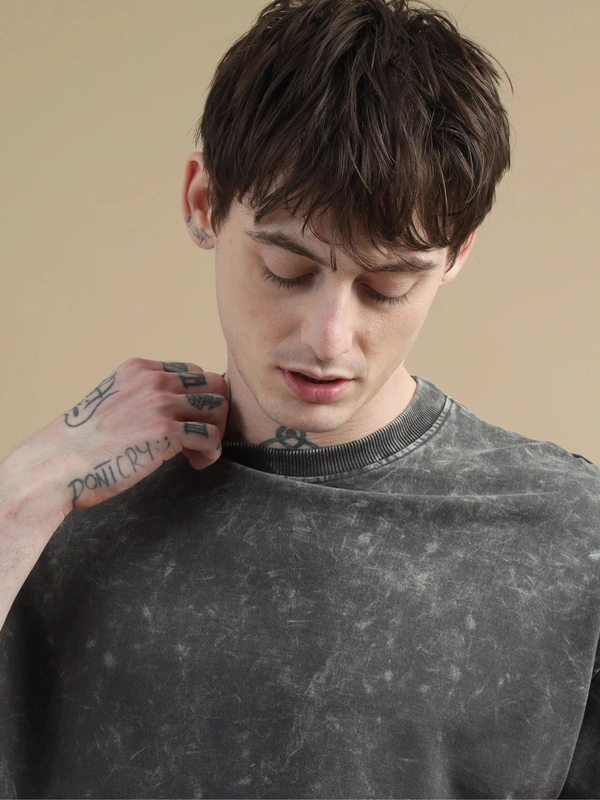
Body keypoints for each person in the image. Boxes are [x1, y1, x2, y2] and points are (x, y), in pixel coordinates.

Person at [0, 0, 599, 796]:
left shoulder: (572, 540)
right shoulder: (58, 515)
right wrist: (23, 495)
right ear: (203, 202)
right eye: (288, 269)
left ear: (456, 257)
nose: (328, 338)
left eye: (387, 285)